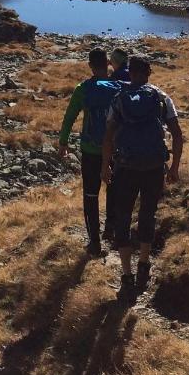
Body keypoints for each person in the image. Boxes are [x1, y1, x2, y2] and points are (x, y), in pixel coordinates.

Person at [102, 55, 183, 301]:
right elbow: (177, 136)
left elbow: (107, 136)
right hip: (154, 167)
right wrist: (174, 168)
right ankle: (144, 266)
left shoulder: (119, 98)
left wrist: (105, 166)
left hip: (125, 167)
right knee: (148, 214)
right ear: (148, 72)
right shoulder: (161, 97)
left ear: (130, 73)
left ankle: (126, 275)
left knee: (123, 217)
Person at [58, 48, 122, 256]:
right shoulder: (119, 87)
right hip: (115, 148)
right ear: (108, 64)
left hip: (90, 149)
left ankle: (94, 242)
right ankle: (110, 229)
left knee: (90, 194)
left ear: (90, 66)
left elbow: (69, 117)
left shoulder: (82, 88)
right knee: (114, 189)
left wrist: (63, 142)